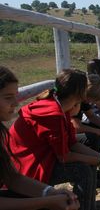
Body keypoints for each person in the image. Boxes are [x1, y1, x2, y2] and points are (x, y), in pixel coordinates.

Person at [9, 69, 100, 210]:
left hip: (39, 158)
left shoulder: (58, 106)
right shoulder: (54, 113)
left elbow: (72, 143)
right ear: (80, 94)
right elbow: (64, 156)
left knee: (87, 163)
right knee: (82, 170)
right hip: (29, 168)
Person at [0, 66, 80, 210]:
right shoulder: (54, 111)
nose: (16, 102)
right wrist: (48, 201)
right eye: (8, 97)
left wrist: (49, 192)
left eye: (15, 96)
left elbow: (13, 178)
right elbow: (64, 155)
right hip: (34, 166)